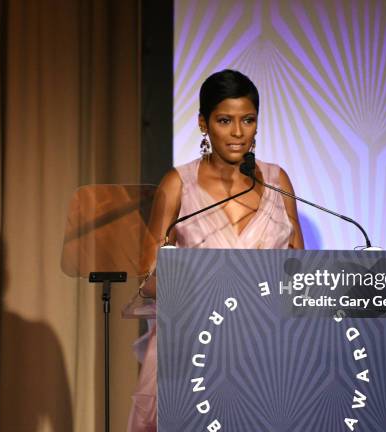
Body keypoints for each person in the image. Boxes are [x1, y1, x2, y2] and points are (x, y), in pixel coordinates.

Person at [127, 69, 304, 431]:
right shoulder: (178, 184)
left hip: (265, 354)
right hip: (193, 351)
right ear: (203, 124)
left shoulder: (278, 180)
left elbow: (298, 271)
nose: (238, 133)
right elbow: (145, 278)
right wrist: (203, 284)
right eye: (225, 120)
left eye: (248, 120)